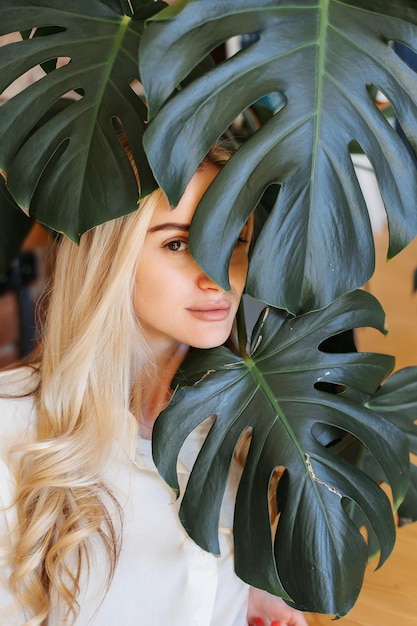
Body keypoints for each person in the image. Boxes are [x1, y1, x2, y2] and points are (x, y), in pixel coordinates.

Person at [0, 145, 308, 625]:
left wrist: (252, 590)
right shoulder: (12, 432)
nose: (217, 275)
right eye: (178, 244)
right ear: (110, 258)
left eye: (235, 239)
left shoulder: (244, 435)